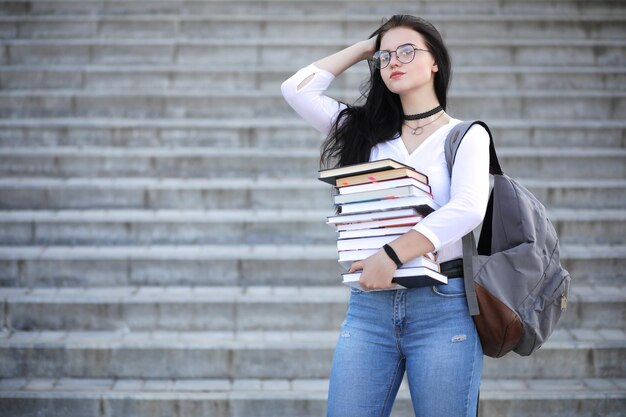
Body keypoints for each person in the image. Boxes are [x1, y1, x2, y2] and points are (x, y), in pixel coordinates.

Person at [281, 15, 489, 417]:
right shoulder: (364, 131)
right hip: (369, 309)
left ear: (435, 63)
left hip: (442, 309)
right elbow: (297, 89)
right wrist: (365, 47)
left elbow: (467, 207)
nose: (394, 60)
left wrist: (390, 255)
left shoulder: (464, 135)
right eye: (386, 55)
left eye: (408, 51)